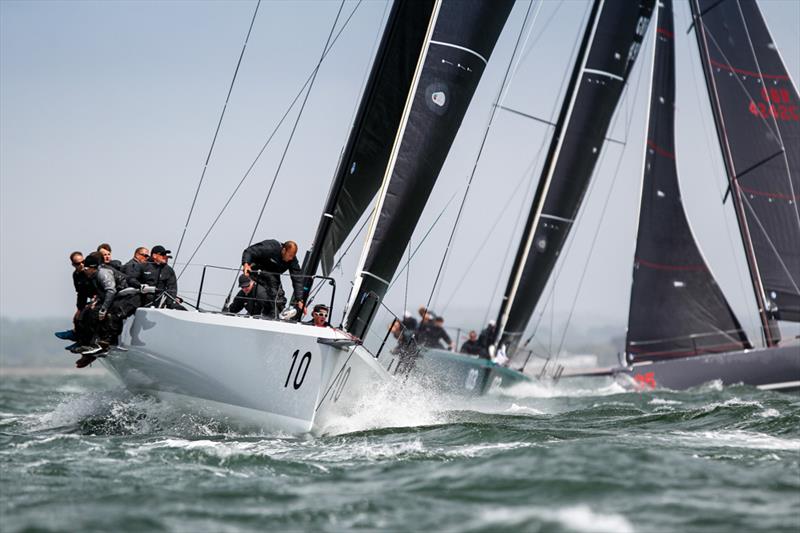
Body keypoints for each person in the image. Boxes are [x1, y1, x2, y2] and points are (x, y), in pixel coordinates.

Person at [73, 252, 140, 366]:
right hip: (117, 296)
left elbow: (111, 290)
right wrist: (95, 303)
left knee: (111, 314)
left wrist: (103, 309)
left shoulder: (102, 273)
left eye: (86, 268)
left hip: (129, 296)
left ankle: (107, 343)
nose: (85, 270)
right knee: (89, 313)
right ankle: (88, 343)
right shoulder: (92, 274)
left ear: (92, 268)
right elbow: (101, 293)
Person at [240, 239, 304, 319]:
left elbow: (297, 278)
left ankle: (276, 314)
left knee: (278, 291)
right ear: (284, 250)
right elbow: (249, 251)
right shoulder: (270, 247)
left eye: (292, 256)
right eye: (290, 255)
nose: (291, 258)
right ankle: (278, 312)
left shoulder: (292, 260)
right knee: (272, 284)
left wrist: (300, 299)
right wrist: (246, 263)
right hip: (254, 268)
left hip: (272, 273)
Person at [55, 251, 95, 347]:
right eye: (78, 263)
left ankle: (81, 340)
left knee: (84, 316)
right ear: (73, 264)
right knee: (77, 318)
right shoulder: (76, 275)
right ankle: (76, 337)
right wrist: (79, 309)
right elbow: (81, 293)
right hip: (88, 298)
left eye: (83, 261)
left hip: (97, 297)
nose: (81, 265)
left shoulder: (90, 271)